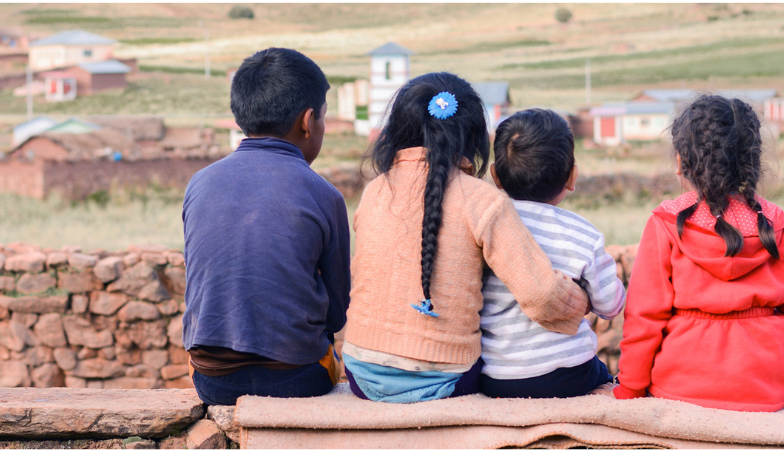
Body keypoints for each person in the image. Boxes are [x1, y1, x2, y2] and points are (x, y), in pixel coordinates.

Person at [341, 72, 590, 403]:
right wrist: (579, 300)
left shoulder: (374, 191)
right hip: (444, 381)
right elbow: (542, 295)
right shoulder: (482, 200)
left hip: (361, 372)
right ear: (474, 137)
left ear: (399, 129)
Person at [609, 94, 784, 412]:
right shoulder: (778, 224)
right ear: (752, 159)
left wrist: (631, 388)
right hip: (766, 391)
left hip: (680, 384)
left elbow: (644, 317)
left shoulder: (665, 222)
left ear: (681, 160)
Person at [182, 48, 350, 406]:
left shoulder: (200, 183)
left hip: (212, 380)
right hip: (299, 378)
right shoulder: (324, 194)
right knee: (334, 359)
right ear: (308, 122)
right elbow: (337, 313)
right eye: (323, 118)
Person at [479, 109, 625, 399]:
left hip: (495, 376)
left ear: (495, 176)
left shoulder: (484, 227)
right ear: (572, 176)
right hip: (568, 375)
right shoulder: (582, 234)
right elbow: (611, 305)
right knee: (606, 378)